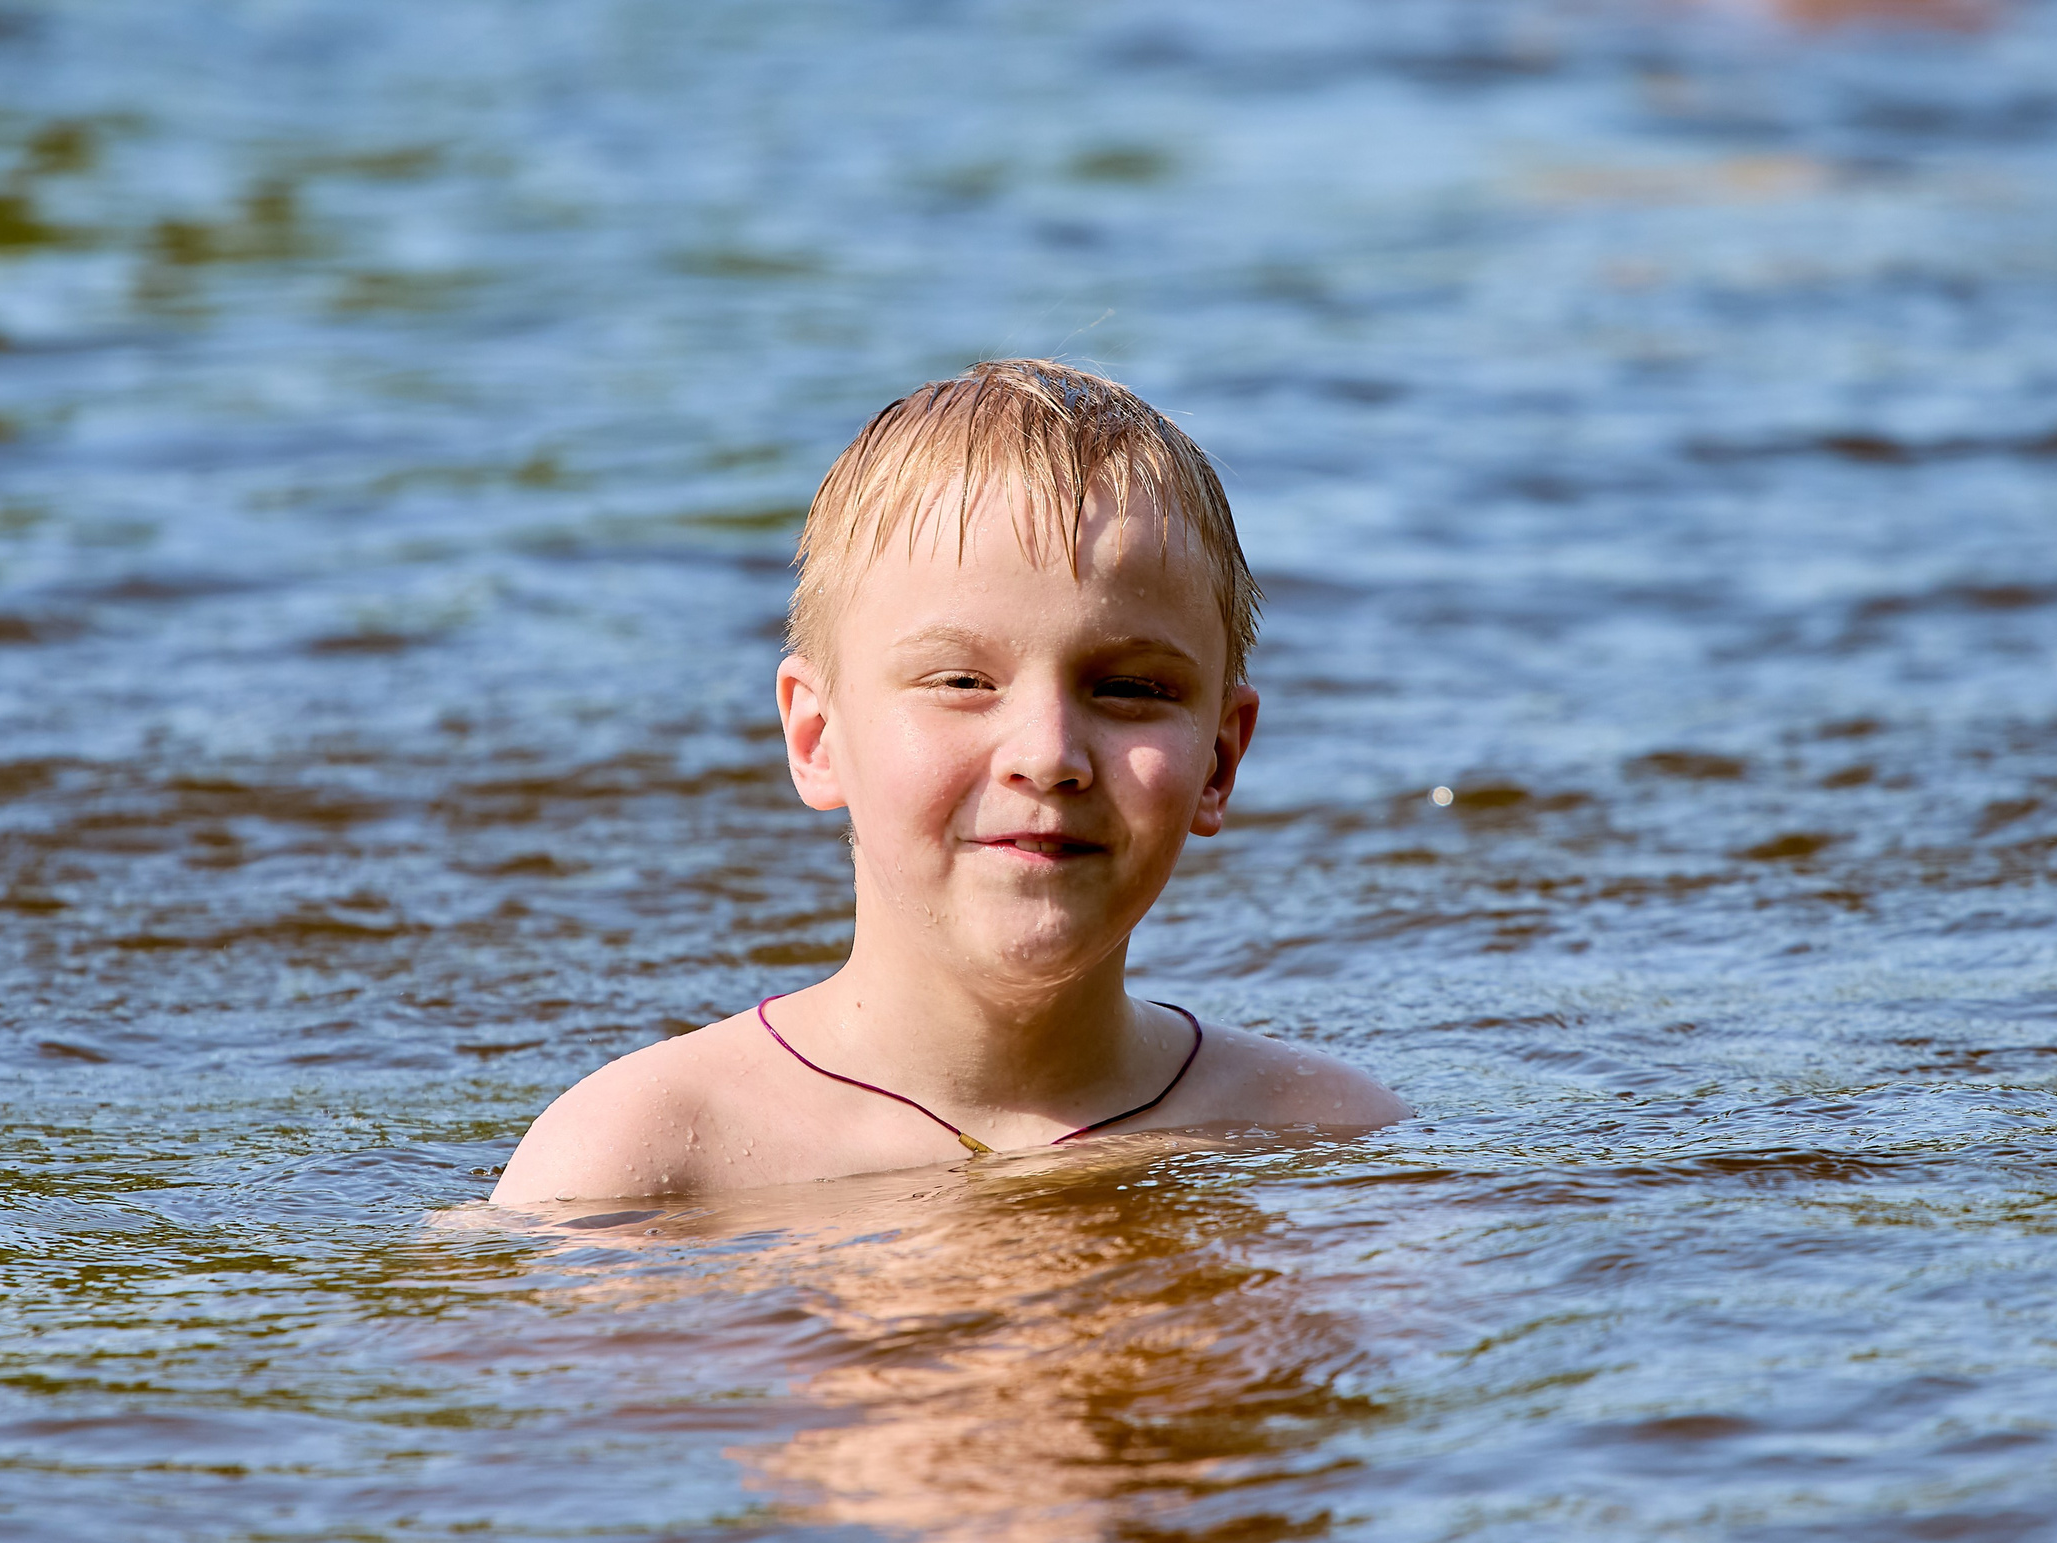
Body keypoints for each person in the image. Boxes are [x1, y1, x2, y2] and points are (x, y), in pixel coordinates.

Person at [493, 360, 1407, 1204]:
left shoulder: (1316, 1137)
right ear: (817, 736)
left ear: (1219, 760)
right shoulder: (642, 1160)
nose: (1048, 754)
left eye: (1130, 688)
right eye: (963, 683)